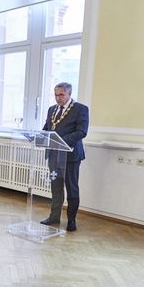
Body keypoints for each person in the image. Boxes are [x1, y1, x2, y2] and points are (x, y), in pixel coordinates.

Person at [41, 82, 89, 232]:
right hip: (55, 155)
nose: (58, 98)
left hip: (71, 156)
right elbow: (47, 128)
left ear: (69, 93)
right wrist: (41, 136)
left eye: (61, 95)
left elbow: (82, 132)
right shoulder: (52, 109)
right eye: (56, 95)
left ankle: (71, 221)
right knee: (56, 188)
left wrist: (60, 140)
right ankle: (54, 216)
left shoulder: (80, 109)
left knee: (71, 188)